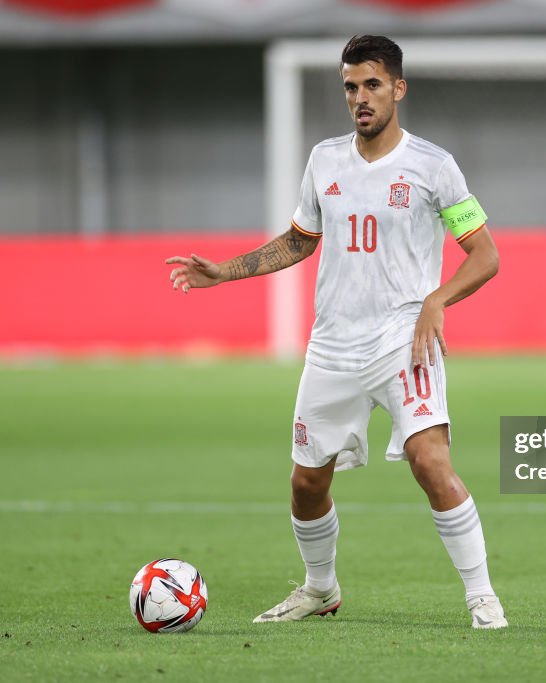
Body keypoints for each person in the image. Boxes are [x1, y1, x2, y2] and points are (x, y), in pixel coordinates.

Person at [166, 35, 506, 630]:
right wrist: (226, 271)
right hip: (333, 344)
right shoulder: (325, 160)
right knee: (305, 483)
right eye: (350, 87)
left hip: (404, 339)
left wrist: (436, 299)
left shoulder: (434, 165)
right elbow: (300, 239)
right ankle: (320, 589)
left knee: (430, 461)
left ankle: (482, 596)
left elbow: (484, 255)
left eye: (372, 85)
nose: (359, 98)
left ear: (399, 88)